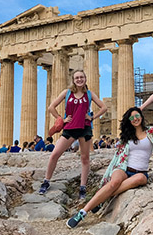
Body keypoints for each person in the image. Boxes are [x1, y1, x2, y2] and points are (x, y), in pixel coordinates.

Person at [66, 107, 153, 229]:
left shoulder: (151, 132)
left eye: (137, 116)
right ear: (129, 120)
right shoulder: (127, 135)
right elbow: (117, 156)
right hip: (123, 168)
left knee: (140, 178)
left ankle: (103, 198)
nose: (135, 119)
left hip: (140, 172)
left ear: (141, 116)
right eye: (132, 117)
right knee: (114, 182)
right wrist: (108, 172)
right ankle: (83, 212)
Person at [39, 69, 107, 198]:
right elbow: (51, 107)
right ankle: (46, 181)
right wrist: (61, 119)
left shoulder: (89, 94)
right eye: (77, 78)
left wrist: (92, 117)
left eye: (81, 77)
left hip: (85, 128)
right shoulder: (67, 93)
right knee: (54, 154)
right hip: (70, 128)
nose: (79, 79)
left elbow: (104, 107)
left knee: (85, 158)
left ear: (85, 79)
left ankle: (83, 187)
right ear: (73, 80)